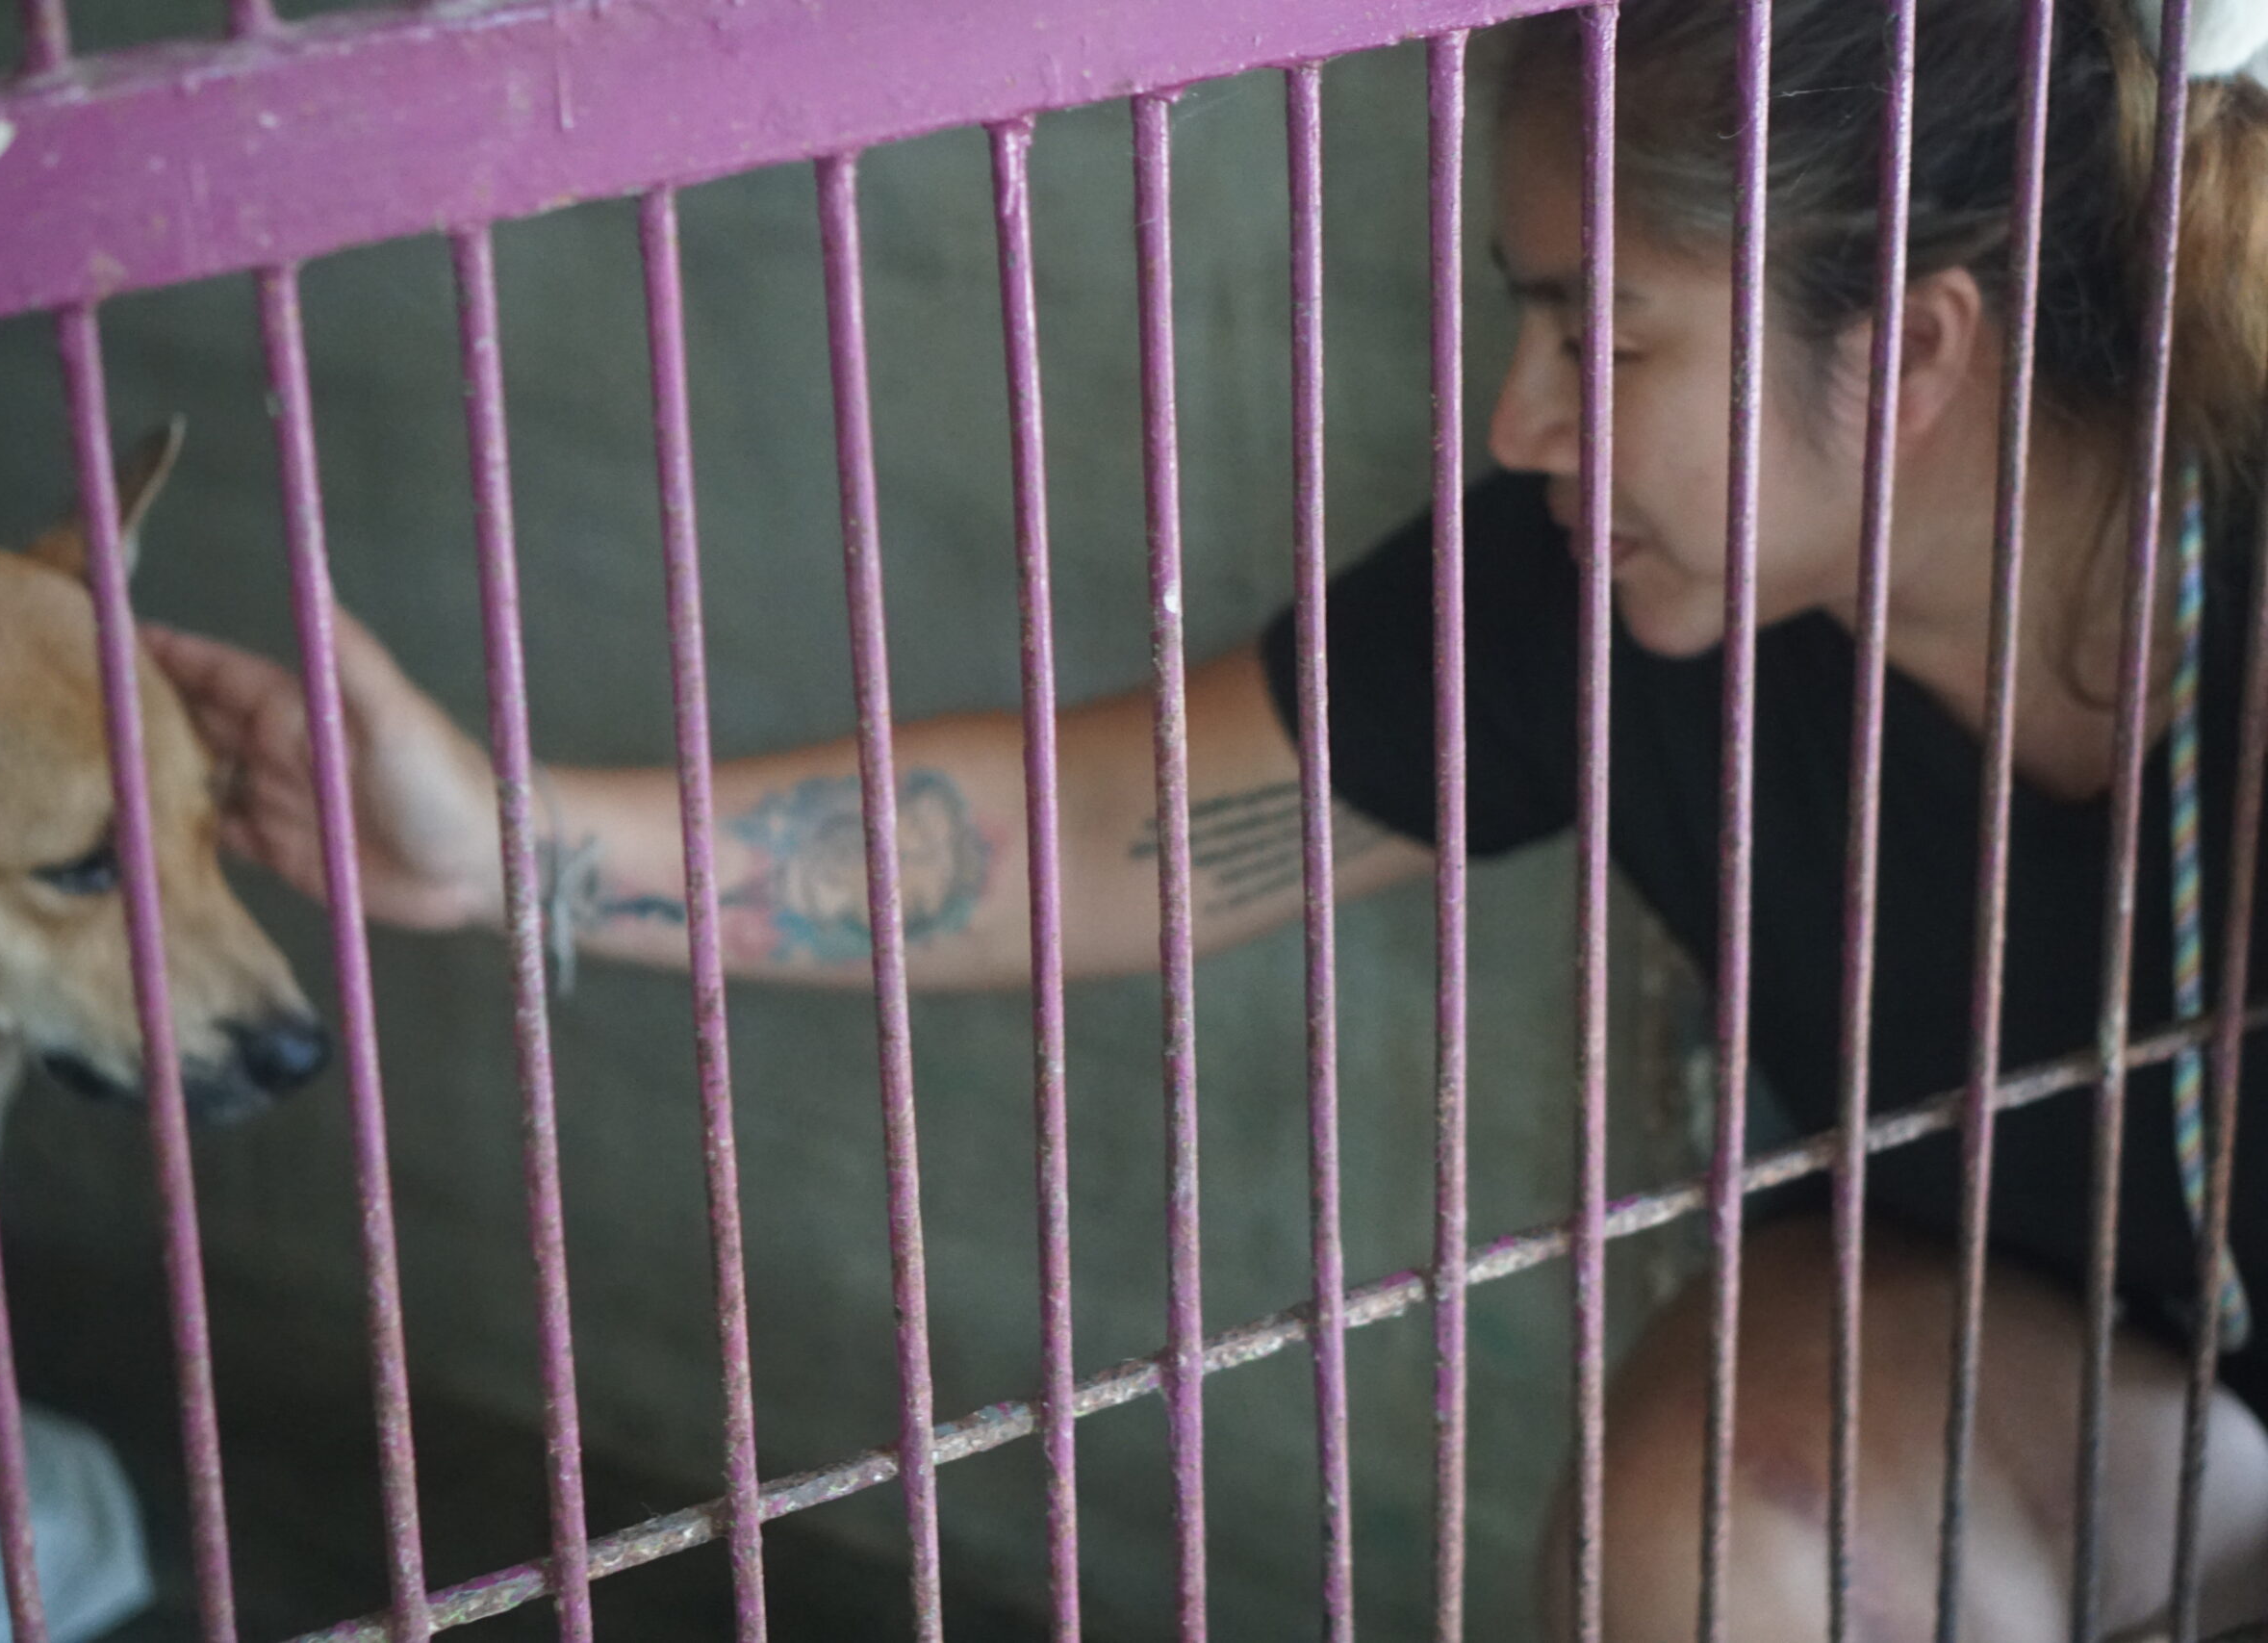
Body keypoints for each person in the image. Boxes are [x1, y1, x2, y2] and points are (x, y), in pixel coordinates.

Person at [146, 0, 2268, 1632]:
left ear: (1908, 354)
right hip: (2087, 1409)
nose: (1522, 412)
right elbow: (1111, 828)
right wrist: (510, 849)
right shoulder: (1604, 593)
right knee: (1732, 1480)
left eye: (1599, 336)